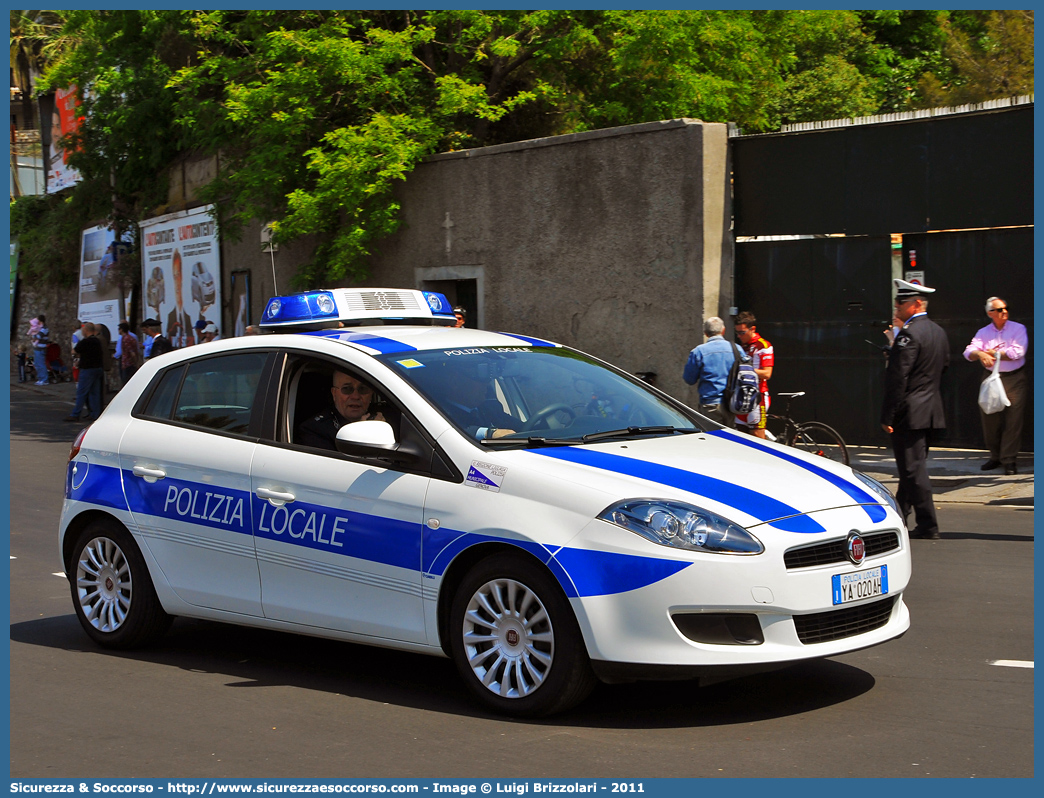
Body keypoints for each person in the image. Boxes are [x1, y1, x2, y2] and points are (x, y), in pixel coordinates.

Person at [881, 279, 949, 540]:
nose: (897, 308)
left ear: (916, 304)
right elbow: (942, 367)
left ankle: (928, 524)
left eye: (901, 303)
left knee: (913, 470)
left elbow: (898, 378)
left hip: (910, 412)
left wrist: (888, 415)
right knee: (912, 467)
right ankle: (900, 516)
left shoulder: (909, 334)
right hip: (930, 408)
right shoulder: (938, 331)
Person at [963, 296, 1028, 475]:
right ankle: (995, 456)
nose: (1004, 312)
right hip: (991, 377)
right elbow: (968, 351)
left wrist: (994, 353)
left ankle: (1009, 459)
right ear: (990, 313)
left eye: (1005, 308)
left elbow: (1018, 352)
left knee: (1013, 420)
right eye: (999, 309)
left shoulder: (1018, 328)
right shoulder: (984, 332)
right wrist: (979, 354)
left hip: (1014, 379)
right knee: (990, 418)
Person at [297, 371, 385, 451]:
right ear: (334, 393)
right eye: (347, 389)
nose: (355, 396)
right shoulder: (314, 430)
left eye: (363, 389)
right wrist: (363, 437)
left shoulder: (384, 420)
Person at [682, 316, 737, 425]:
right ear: (723, 330)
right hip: (732, 403)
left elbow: (689, 379)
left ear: (705, 333)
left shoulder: (698, 352)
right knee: (730, 438)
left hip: (710, 403)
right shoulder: (736, 349)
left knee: (713, 437)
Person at [733, 311, 773, 438]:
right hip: (742, 395)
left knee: (757, 437)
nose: (739, 336)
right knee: (741, 436)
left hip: (758, 396)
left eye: (742, 332)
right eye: (737, 332)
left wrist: (745, 370)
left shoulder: (764, 345)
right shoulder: (741, 347)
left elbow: (767, 374)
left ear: (752, 329)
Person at [65, 322, 105, 421]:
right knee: (95, 393)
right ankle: (95, 414)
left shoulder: (85, 341)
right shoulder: (97, 341)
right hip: (98, 368)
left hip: (87, 369)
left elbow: (74, 351)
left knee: (81, 392)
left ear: (86, 330)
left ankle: (75, 414)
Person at [166, 250, 195, 348]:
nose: (176, 281)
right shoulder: (170, 317)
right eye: (174, 276)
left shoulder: (192, 316)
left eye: (178, 275)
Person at [117, 322, 141, 386]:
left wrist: (136, 363)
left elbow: (132, 352)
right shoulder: (130, 337)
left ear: (121, 330)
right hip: (128, 363)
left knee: (127, 382)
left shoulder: (126, 339)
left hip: (128, 364)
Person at [30, 315, 50, 386]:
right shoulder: (40, 328)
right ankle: (40, 378)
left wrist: (33, 336)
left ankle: (44, 379)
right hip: (37, 348)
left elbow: (38, 337)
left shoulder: (44, 329)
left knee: (41, 364)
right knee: (37, 364)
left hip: (41, 349)